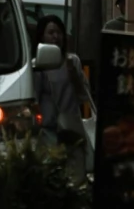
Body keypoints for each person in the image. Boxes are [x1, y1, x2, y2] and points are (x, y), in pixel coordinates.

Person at [35, 14, 93, 168]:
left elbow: (84, 96)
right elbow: (34, 98)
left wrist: (73, 74)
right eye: (51, 33)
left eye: (59, 32)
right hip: (49, 131)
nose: (56, 37)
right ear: (41, 37)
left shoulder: (73, 61)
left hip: (72, 128)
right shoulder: (38, 65)